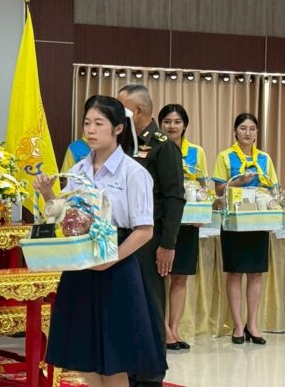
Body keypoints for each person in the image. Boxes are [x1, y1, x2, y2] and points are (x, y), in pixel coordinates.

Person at [34, 95, 166, 387]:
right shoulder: (78, 170)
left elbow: (144, 230)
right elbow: (66, 218)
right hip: (82, 267)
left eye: (98, 123)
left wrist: (110, 259)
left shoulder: (134, 173)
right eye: (87, 123)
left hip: (116, 267)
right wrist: (48, 194)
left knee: (115, 358)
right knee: (85, 356)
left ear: (118, 129)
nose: (90, 130)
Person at [117, 84, 185, 387]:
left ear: (138, 111)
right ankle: (130, 368)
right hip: (125, 237)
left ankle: (151, 374)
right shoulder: (123, 144)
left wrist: (168, 244)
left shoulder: (163, 146)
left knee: (150, 306)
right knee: (128, 303)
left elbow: (174, 198)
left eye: (122, 108)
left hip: (151, 240)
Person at [212, 113, 278, 346]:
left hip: (257, 220)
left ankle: (253, 324)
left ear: (257, 132)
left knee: (256, 273)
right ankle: (238, 325)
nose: (247, 133)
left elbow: (273, 187)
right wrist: (239, 182)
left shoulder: (264, 158)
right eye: (243, 128)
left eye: (252, 128)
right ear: (235, 131)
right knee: (235, 272)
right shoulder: (225, 156)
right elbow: (218, 189)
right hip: (234, 221)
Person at [158, 104, 208, 351]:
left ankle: (174, 329)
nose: (172, 126)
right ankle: (163, 331)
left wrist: (203, 209)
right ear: (160, 124)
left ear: (185, 125)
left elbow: (204, 186)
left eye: (177, 122)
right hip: (163, 223)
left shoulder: (196, 152)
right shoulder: (153, 148)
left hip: (188, 222)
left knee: (180, 278)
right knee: (160, 278)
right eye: (167, 121)